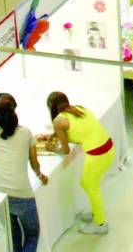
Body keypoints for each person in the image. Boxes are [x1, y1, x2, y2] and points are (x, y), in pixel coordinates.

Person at [43, 92, 114, 234]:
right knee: (85, 183)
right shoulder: (80, 109)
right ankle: (96, 212)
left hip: (97, 155)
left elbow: (65, 150)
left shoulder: (58, 121)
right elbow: (80, 133)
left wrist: (51, 147)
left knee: (91, 187)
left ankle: (100, 224)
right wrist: (57, 134)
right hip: (108, 148)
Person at [0, 92, 45, 252]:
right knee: (32, 235)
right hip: (22, 195)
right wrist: (40, 175)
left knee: (13, 237)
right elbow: (34, 163)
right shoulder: (25, 133)